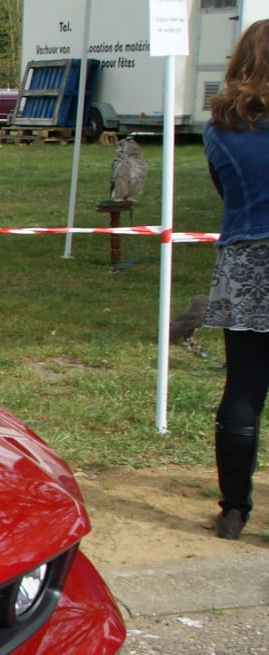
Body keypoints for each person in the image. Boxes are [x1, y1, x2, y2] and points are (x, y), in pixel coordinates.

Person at [202, 18, 269, 541]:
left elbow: (227, 193)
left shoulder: (218, 128)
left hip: (244, 260)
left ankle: (234, 509)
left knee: (243, 384)